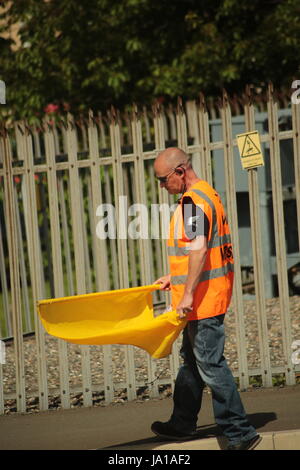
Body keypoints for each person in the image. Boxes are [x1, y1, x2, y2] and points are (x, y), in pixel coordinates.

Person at [151, 147, 261, 451]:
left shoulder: (192, 203)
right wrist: (175, 278)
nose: (162, 186)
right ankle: (182, 422)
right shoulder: (207, 194)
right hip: (206, 294)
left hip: (201, 300)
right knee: (192, 362)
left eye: (163, 180)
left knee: (210, 365)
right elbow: (205, 249)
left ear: (180, 172)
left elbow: (199, 251)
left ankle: (240, 432)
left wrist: (186, 293)